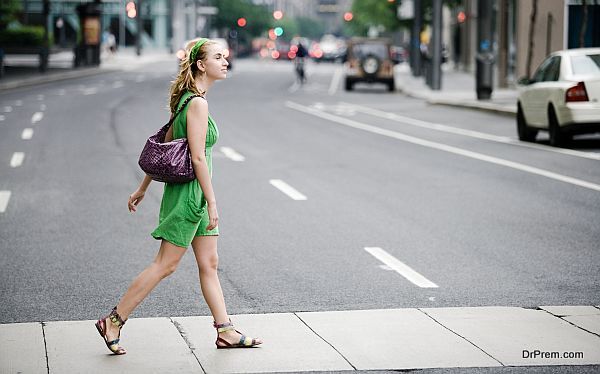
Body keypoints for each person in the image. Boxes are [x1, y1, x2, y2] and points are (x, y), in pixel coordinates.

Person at [95, 37, 263, 355]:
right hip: (190, 197)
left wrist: (144, 187)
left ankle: (225, 330)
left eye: (225, 57)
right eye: (218, 57)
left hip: (195, 195)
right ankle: (114, 320)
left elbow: (166, 147)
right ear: (201, 64)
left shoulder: (187, 99)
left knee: (209, 263)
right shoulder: (197, 103)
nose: (225, 61)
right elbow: (196, 157)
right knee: (165, 265)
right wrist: (212, 201)